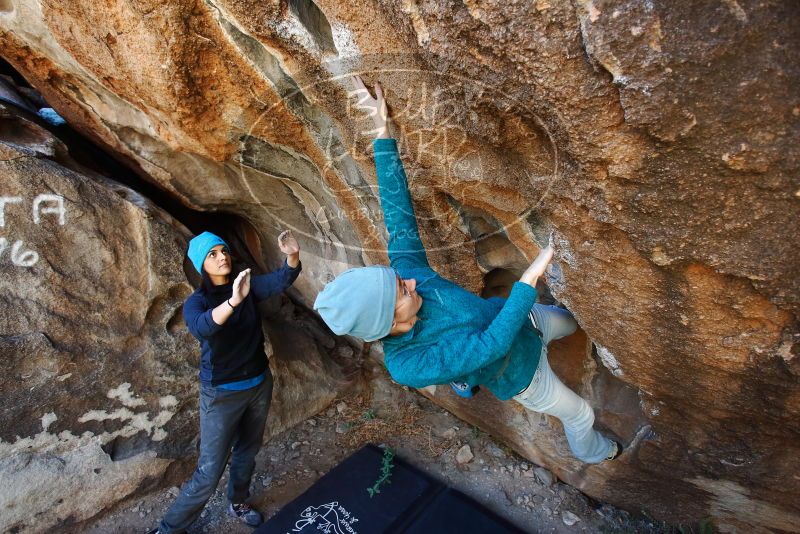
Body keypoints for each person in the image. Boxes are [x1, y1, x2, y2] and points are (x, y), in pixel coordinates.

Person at [314, 76, 620, 464]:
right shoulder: (407, 365)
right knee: (581, 413)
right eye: (403, 292)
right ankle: (598, 453)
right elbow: (491, 345)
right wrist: (527, 281)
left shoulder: (411, 274)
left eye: (398, 278)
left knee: (571, 323)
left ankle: (464, 377)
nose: (410, 280)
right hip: (520, 373)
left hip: (522, 320)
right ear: (387, 323)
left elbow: (398, 216)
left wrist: (382, 133)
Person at [148, 230, 302, 534]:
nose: (221, 257)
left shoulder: (246, 285)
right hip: (221, 394)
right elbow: (202, 328)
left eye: (223, 251)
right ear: (201, 265)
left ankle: (238, 501)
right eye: (212, 254)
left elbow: (282, 278)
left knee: (247, 450)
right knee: (208, 472)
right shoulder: (198, 301)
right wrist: (234, 301)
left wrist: (293, 255)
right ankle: (168, 529)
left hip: (259, 384)